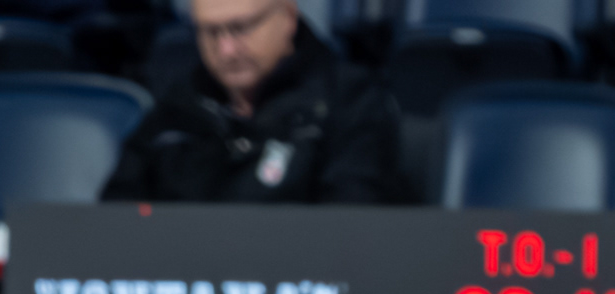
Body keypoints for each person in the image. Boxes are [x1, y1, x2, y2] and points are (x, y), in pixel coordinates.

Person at [101, 0, 405, 204]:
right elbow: (118, 217)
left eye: (241, 28)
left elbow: (352, 228)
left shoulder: (350, 100)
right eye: (211, 31)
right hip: (184, 276)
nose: (227, 50)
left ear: (287, 17)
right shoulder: (179, 106)